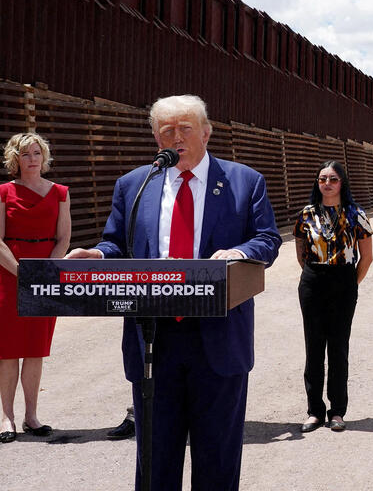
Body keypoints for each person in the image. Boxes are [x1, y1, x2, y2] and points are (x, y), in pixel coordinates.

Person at [66, 95, 281, 490]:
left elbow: (267, 238)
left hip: (218, 337)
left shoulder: (243, 180)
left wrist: (241, 251)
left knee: (217, 459)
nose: (176, 137)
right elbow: (117, 244)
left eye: (185, 128)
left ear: (206, 132)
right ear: (155, 137)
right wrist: (97, 253)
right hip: (153, 338)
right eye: (167, 131)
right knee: (155, 459)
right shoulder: (133, 185)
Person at [0, 133, 71, 443]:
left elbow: (63, 239)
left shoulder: (60, 193)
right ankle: (7, 417)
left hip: (44, 274)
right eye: (25, 154)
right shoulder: (3, 192)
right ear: (15, 159)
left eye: (36, 153)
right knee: (8, 351)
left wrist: (44, 272)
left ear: (44, 157)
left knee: (35, 349)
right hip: (8, 273)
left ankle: (31, 416)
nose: (32, 159)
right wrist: (21, 272)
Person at [293, 161, 373, 433]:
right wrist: (315, 276)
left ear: (342, 183)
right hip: (313, 281)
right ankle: (315, 411)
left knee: (338, 348)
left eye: (333, 179)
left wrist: (350, 284)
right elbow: (301, 252)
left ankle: (337, 411)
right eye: (322, 179)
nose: (327, 184)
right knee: (313, 348)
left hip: (344, 281)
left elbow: (367, 257)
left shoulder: (355, 213)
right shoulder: (306, 214)